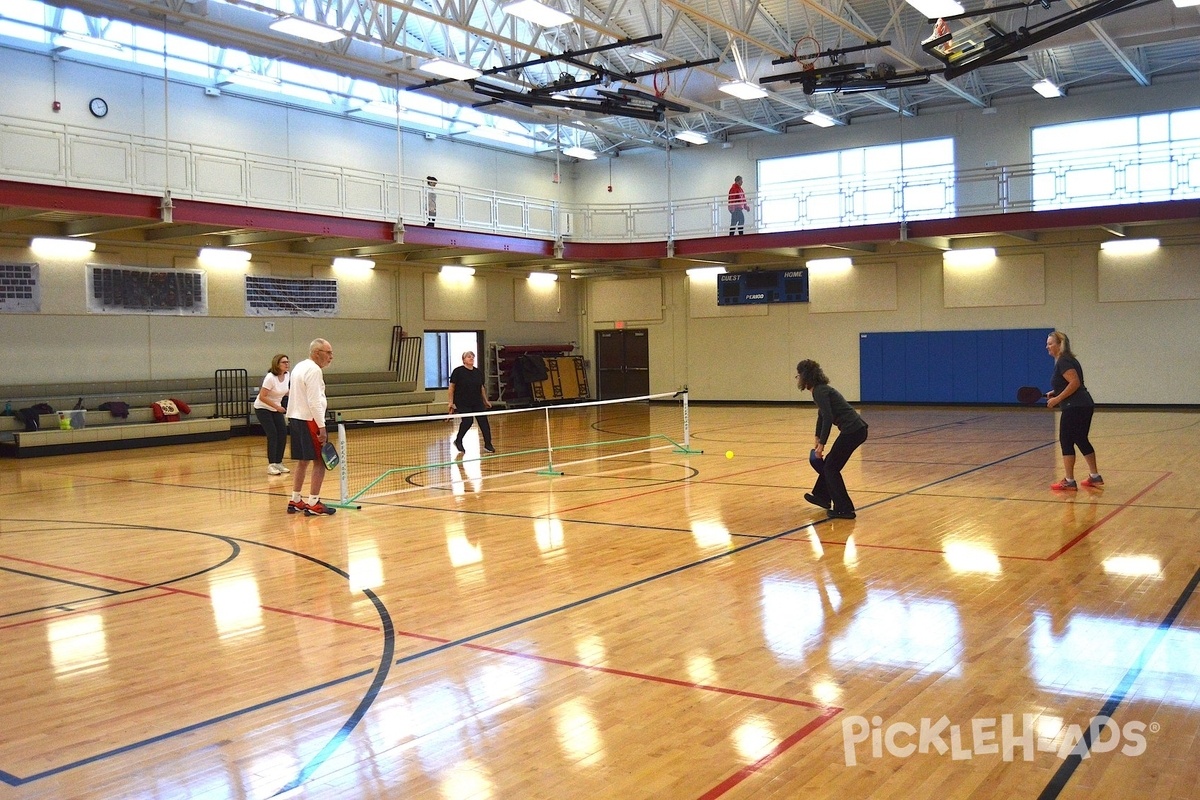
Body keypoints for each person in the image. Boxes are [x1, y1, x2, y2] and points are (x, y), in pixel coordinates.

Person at [796, 359, 869, 519]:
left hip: (853, 431)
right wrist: (817, 437)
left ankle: (844, 508)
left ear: (805, 376)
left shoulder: (819, 391)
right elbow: (822, 415)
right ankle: (822, 496)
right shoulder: (820, 390)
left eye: (799, 375)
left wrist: (821, 444)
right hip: (856, 430)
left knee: (831, 468)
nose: (798, 378)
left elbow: (828, 417)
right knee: (830, 464)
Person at [1045, 330, 1102, 490]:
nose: (1047, 347)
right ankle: (1095, 477)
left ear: (1059, 345)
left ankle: (1069, 481)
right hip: (1084, 404)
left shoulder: (1063, 361)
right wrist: (1054, 392)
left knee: (1066, 440)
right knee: (1081, 439)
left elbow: (1074, 383)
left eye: (1050, 343)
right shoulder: (1069, 360)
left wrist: (1057, 399)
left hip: (1074, 407)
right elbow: (1070, 383)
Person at [285, 338, 336, 516]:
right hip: (310, 420)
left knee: (303, 461)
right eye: (328, 353)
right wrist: (322, 426)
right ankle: (314, 502)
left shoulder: (299, 366)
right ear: (316, 353)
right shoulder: (314, 370)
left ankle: (296, 499)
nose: (331, 356)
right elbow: (314, 401)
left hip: (295, 418)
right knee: (320, 461)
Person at [447, 350, 494, 453]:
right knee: (468, 421)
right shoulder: (458, 371)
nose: (471, 358)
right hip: (463, 402)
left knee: (484, 422)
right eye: (469, 357)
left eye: (472, 356)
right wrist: (450, 402)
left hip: (477, 401)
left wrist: (485, 400)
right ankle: (458, 440)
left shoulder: (477, 372)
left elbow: (481, 387)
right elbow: (451, 387)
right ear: (464, 360)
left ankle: (488, 444)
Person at [253, 353, 290, 475]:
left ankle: (278, 462)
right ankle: (271, 464)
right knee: (273, 434)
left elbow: (284, 391)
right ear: (277, 364)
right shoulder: (270, 378)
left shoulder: (287, 375)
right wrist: (277, 407)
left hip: (276, 408)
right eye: (284, 362)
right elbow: (262, 396)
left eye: (287, 362)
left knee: (283, 433)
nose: (287, 364)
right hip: (263, 407)